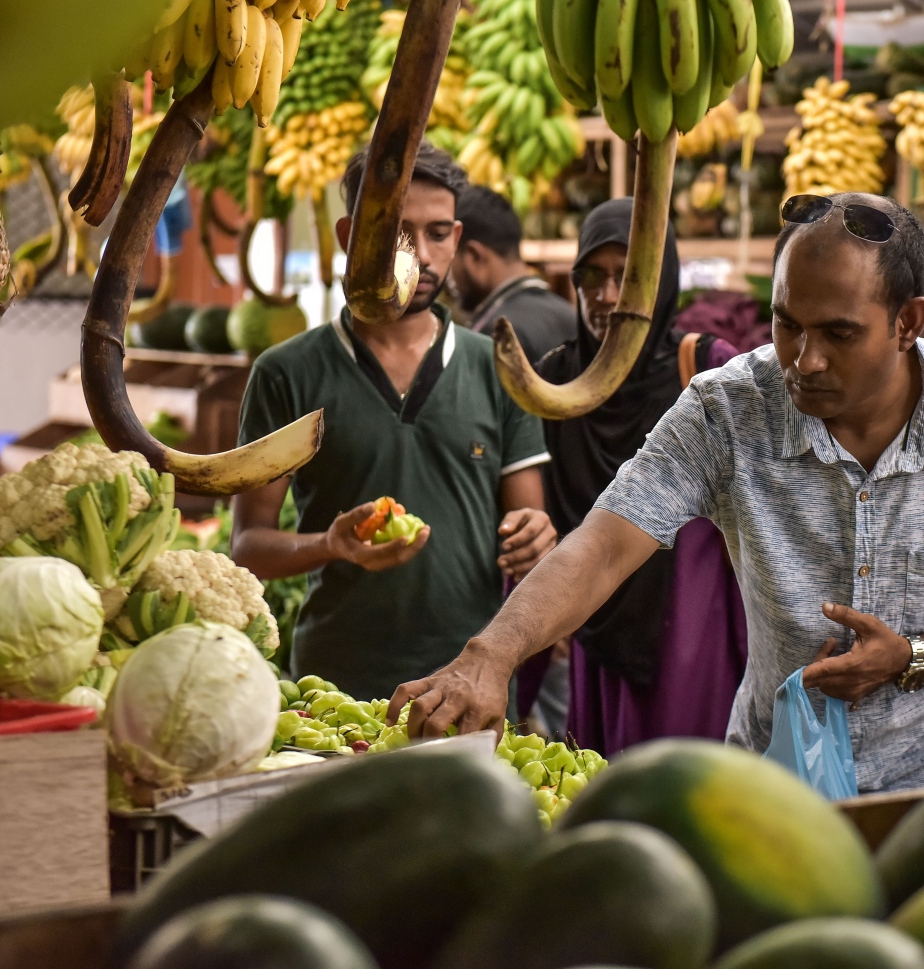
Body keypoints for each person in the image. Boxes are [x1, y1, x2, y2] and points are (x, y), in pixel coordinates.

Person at [390, 192, 924, 792]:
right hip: (773, 789)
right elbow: (604, 545)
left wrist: (916, 653)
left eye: (839, 333)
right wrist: (490, 655)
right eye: (788, 324)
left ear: (908, 321)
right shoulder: (729, 407)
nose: (805, 360)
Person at [231, 143, 558, 702]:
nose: (421, 255)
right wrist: (331, 545)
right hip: (333, 688)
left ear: (457, 239)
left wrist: (537, 539)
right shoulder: (287, 372)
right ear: (347, 236)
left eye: (436, 234)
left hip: (468, 684)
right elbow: (248, 546)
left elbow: (530, 521)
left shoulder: (497, 368)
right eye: (398, 232)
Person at [527, 198, 746, 756]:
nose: (604, 296)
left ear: (660, 278)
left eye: (625, 276)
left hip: (691, 623)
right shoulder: (554, 380)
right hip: (592, 621)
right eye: (590, 277)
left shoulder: (704, 368)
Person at [450, 185, 576, 363]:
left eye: (450, 262)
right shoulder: (569, 315)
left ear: (473, 256)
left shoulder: (493, 335)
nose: (448, 278)